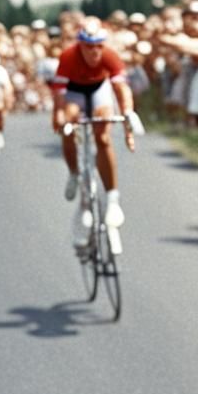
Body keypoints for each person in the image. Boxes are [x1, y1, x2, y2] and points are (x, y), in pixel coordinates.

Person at [51, 17, 138, 245]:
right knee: (68, 125)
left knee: (103, 136)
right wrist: (60, 117)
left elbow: (121, 88)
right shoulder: (68, 56)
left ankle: (112, 199)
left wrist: (128, 111)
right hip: (74, 93)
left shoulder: (110, 56)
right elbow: (59, 94)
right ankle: (73, 172)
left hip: (99, 90)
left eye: (99, 45)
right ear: (80, 44)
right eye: (89, 47)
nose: (94, 52)